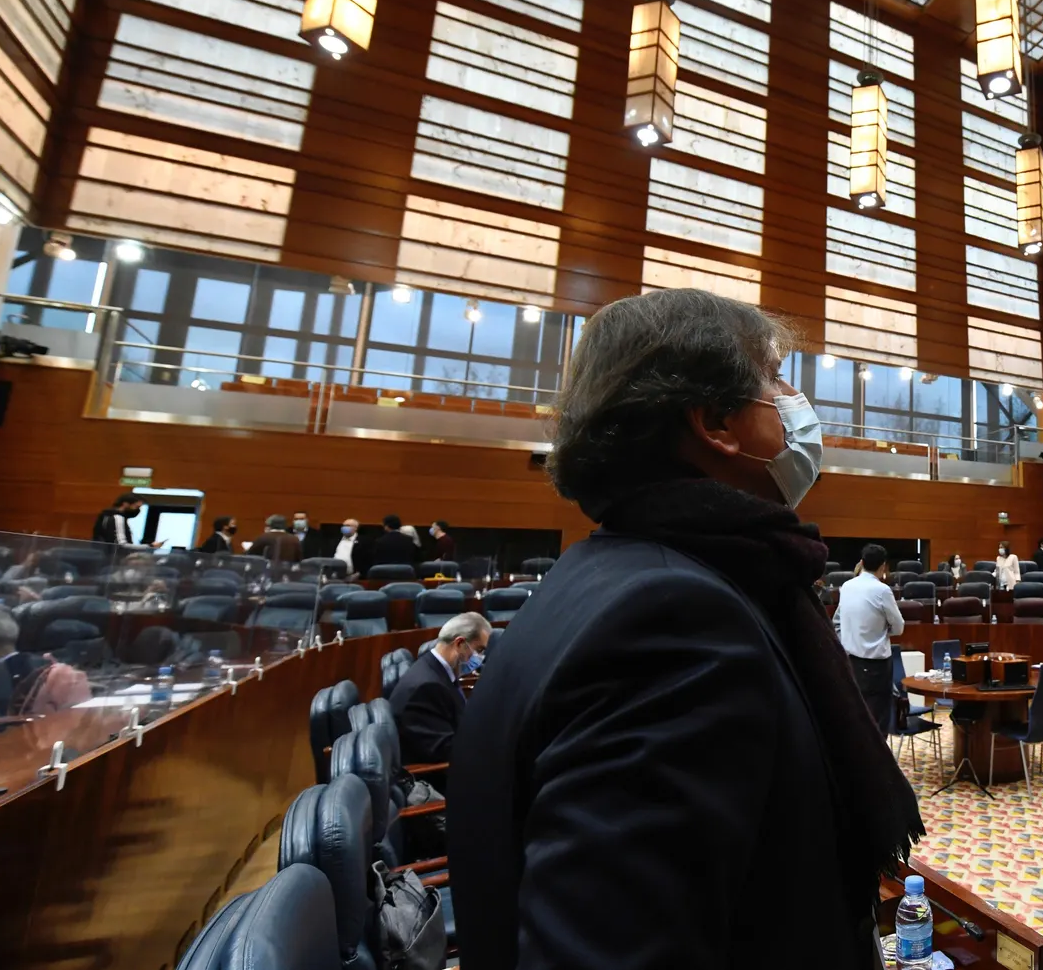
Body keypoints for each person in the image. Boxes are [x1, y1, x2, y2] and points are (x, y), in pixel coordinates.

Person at [448, 289, 922, 969]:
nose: (795, 401)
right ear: (716, 423)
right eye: (775, 379)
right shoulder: (673, 622)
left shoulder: (599, 575)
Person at [388, 611, 489, 769]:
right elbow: (444, 750)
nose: (480, 657)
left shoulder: (435, 669)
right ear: (460, 644)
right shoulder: (427, 687)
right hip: (437, 777)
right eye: (479, 650)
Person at [839, 543, 905, 735]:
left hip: (850, 662)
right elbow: (899, 627)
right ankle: (877, 763)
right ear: (883, 566)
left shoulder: (847, 586)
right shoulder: (882, 590)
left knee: (855, 716)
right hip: (875, 666)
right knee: (877, 721)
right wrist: (884, 631)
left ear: (862, 562)